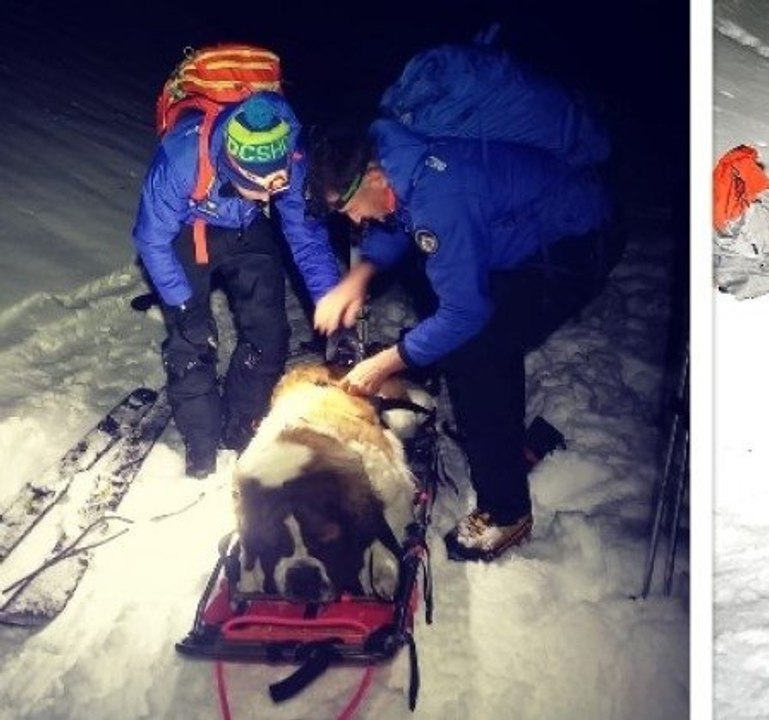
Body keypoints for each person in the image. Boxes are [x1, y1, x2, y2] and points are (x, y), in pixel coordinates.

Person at [309, 118, 612, 562]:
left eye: (350, 207)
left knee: (477, 348)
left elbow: (465, 312)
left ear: (373, 176)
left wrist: (388, 361)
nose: (353, 220)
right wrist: (361, 273)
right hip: (519, 233)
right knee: (451, 313)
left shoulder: (441, 194)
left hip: (576, 243)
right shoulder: (394, 160)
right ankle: (493, 433)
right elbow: (397, 220)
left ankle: (506, 511)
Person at [133, 92, 341, 478]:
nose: (268, 197)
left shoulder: (290, 155)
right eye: (258, 186)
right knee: (192, 340)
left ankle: (242, 425)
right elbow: (151, 239)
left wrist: (332, 301)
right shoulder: (181, 157)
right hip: (187, 230)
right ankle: (201, 443)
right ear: (230, 164)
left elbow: (307, 238)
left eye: (274, 188)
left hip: (246, 229)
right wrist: (182, 306)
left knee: (269, 333)